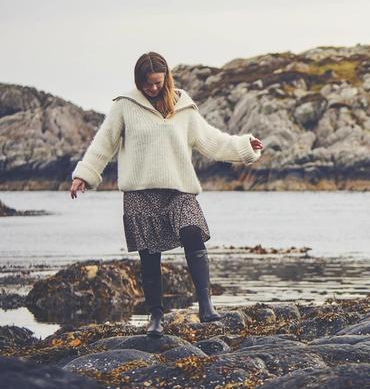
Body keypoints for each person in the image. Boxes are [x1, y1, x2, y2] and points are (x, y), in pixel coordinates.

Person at [68, 51, 264, 337]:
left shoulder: (183, 106)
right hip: (140, 192)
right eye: (146, 84)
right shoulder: (125, 105)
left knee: (192, 233)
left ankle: (206, 306)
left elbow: (210, 141)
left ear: (166, 78)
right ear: (138, 82)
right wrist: (83, 175)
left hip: (178, 189)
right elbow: (104, 143)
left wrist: (246, 146)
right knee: (150, 256)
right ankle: (155, 317)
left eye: (157, 83)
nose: (152, 88)